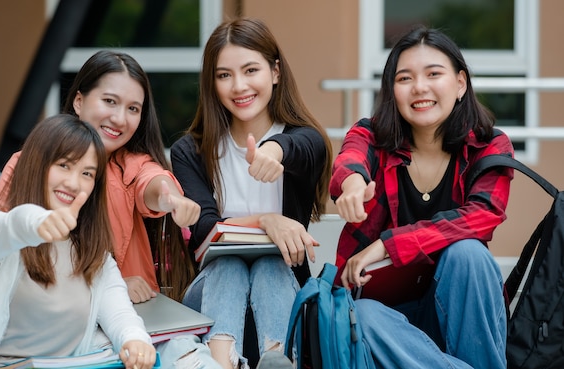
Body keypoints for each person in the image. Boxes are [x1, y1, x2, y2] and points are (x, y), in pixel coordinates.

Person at [331, 25, 513, 368]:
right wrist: (353, 183)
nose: (420, 88)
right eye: (404, 78)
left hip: (462, 316)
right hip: (389, 327)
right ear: (391, 90)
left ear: (460, 83)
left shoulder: (489, 146)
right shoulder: (372, 135)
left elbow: (484, 215)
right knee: (363, 315)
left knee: (469, 254)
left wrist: (387, 244)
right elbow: (351, 160)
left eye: (434, 74)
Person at [170, 18, 333, 369]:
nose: (239, 85)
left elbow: (306, 145)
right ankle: (220, 362)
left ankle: (277, 360)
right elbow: (203, 228)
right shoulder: (191, 152)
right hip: (211, 297)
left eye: (250, 70)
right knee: (228, 264)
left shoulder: (303, 141)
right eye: (224, 75)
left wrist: (273, 151)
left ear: (275, 72)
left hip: (283, 296)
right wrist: (267, 221)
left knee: (270, 265)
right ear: (212, 83)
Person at [0, 115, 156, 369]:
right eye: (64, 165)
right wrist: (38, 223)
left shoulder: (94, 255)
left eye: (87, 173)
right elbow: (11, 225)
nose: (73, 183)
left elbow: (120, 316)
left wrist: (136, 341)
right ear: (36, 165)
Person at [0, 50, 200, 304]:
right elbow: (3, 251)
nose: (120, 118)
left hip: (135, 320)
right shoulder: (27, 164)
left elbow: (154, 182)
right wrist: (111, 288)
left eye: (133, 108)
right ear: (79, 101)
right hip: (48, 318)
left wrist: (174, 200)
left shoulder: (131, 166)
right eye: (110, 101)